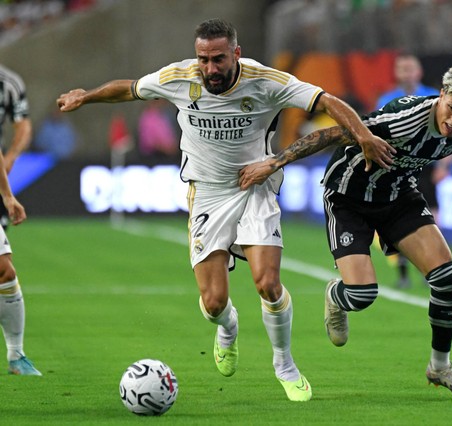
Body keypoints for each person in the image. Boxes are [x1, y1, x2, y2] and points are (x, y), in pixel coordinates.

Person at [56, 18, 393, 402]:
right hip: (208, 194)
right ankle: (227, 328)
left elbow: (328, 101)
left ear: (236, 53)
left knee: (267, 282)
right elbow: (130, 90)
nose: (210, 68)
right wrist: (87, 96)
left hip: (256, 187)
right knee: (214, 302)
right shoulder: (179, 77)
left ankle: (284, 364)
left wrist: (364, 137)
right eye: (204, 60)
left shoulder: (267, 81)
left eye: (218, 59)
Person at [239, 60, 452, 400]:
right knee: (362, 295)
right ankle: (337, 295)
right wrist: (274, 162)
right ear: (441, 95)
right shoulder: (403, 118)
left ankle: (440, 367)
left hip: (398, 197)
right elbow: (330, 133)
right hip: (349, 198)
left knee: (447, 279)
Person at [376, 53, 442, 289]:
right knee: (397, 219)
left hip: (426, 166)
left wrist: (443, 166)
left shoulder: (434, 97)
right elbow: (378, 135)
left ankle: (433, 269)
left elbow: (449, 134)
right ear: (396, 73)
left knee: (432, 218)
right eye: (401, 68)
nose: (406, 72)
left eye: (410, 68)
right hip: (397, 168)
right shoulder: (386, 99)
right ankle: (403, 273)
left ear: (419, 71)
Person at [0, 63, 41, 375]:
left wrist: (7, 195)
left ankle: (16, 356)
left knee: (4, 269)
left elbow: (23, 125)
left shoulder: (9, 83)